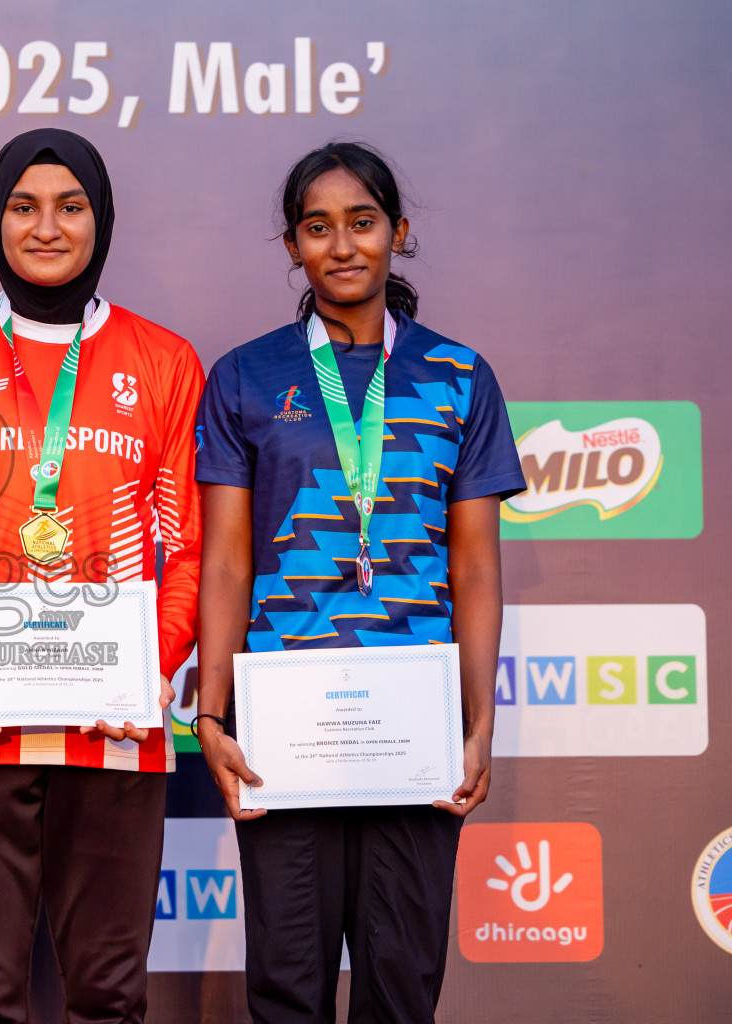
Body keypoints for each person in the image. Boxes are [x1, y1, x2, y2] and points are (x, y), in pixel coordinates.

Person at [192, 140, 526, 1023]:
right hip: (283, 729)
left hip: (415, 730)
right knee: (288, 988)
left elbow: (477, 565)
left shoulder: (459, 376)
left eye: (362, 223)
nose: (342, 246)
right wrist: (212, 714)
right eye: (317, 227)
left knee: (402, 985)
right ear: (294, 246)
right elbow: (225, 560)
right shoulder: (246, 376)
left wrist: (478, 723)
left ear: (398, 233)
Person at [0, 128, 205, 1023]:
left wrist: (151, 663)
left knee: (107, 996)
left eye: (71, 206)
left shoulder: (166, 361)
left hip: (117, 722)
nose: (47, 228)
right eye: (24, 207)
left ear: (102, 219)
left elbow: (184, 543)